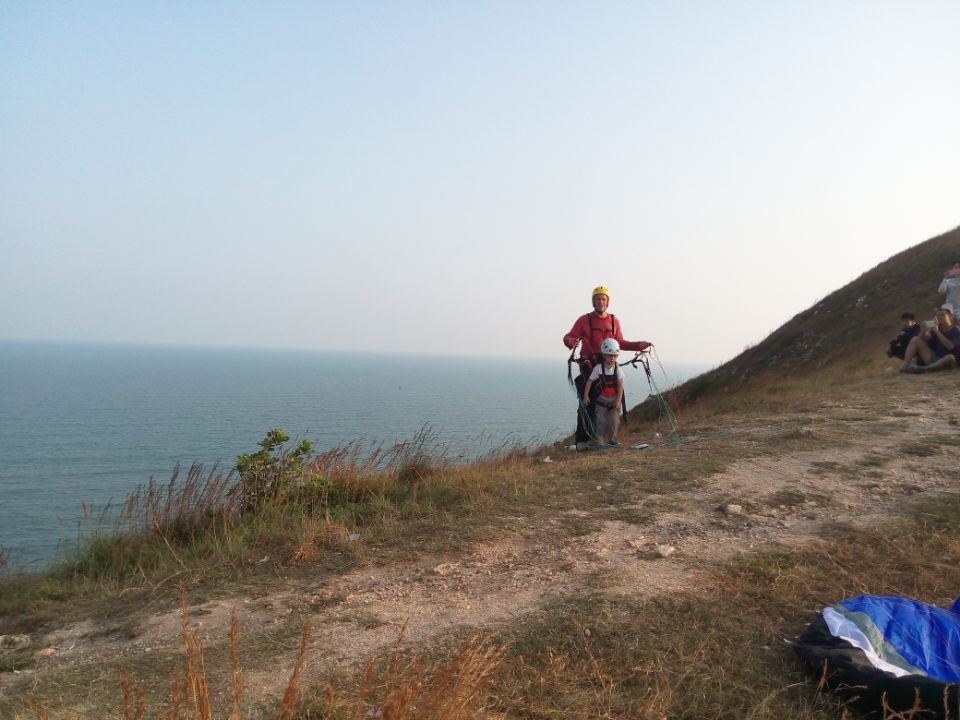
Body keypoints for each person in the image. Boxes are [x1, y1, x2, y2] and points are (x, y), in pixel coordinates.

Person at [563, 286, 651, 450]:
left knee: (609, 404)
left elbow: (620, 343)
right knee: (586, 403)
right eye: (598, 299)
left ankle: (605, 438)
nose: (601, 302)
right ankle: (582, 440)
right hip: (589, 368)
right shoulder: (584, 320)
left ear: (608, 302)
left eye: (604, 299)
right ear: (593, 301)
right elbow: (569, 336)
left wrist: (638, 345)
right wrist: (571, 341)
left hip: (609, 368)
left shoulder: (614, 321)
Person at [582, 338, 625, 448]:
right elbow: (589, 381)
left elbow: (621, 386)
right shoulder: (598, 369)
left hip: (614, 400)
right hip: (601, 400)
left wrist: (618, 401)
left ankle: (611, 439)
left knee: (613, 421)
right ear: (604, 355)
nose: (613, 358)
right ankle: (600, 442)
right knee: (600, 420)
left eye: (615, 355)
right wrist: (586, 395)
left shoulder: (618, 369)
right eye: (610, 355)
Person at [900, 306, 960, 374]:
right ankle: (903, 368)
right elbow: (926, 339)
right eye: (937, 316)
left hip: (950, 361)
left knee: (950, 357)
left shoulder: (956, 330)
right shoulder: (936, 328)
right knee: (915, 339)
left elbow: (951, 347)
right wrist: (923, 332)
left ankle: (923, 369)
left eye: (942, 315)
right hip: (935, 358)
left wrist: (937, 331)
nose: (939, 317)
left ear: (950, 316)